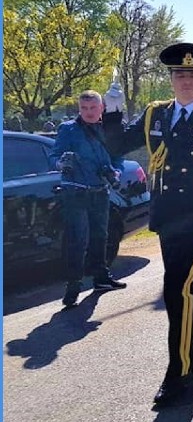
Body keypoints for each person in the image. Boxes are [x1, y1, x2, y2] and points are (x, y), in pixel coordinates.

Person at [101, 42, 193, 407]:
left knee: (175, 289)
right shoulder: (155, 115)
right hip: (168, 216)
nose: (186, 81)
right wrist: (112, 114)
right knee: (187, 287)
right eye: (180, 74)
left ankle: (177, 373)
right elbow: (116, 144)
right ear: (172, 78)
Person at [50, 90, 127, 307]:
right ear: (79, 109)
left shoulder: (107, 130)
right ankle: (73, 286)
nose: (89, 112)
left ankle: (101, 278)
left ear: (102, 108)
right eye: (84, 108)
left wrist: (115, 172)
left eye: (93, 107)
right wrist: (61, 164)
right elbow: (54, 156)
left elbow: (118, 157)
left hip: (100, 191)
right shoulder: (68, 129)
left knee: (100, 236)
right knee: (78, 239)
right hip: (75, 191)